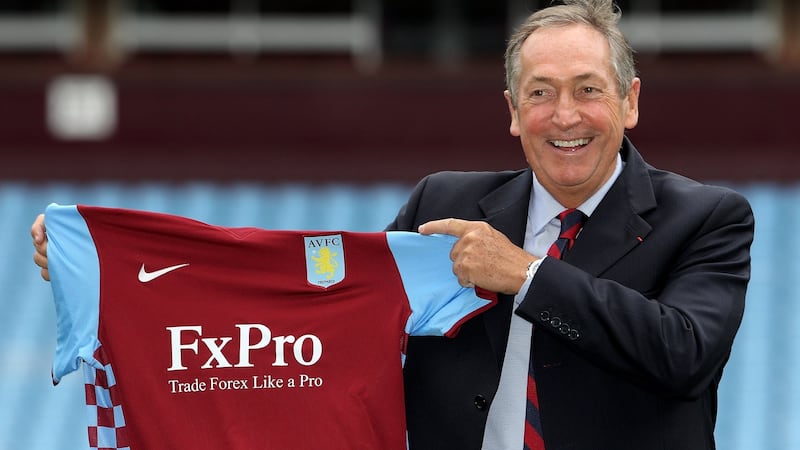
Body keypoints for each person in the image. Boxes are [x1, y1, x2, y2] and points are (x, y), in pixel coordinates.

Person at [33, 0, 754, 449]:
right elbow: (318, 317)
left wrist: (527, 277)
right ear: (511, 109)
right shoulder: (443, 202)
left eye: (587, 90)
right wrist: (116, 274)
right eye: (540, 93)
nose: (563, 116)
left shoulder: (706, 218)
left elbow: (683, 354)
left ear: (629, 101)